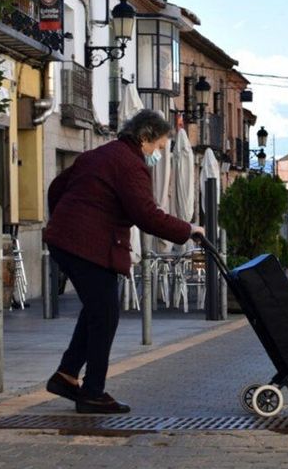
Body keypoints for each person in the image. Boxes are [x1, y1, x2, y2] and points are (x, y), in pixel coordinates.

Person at [43, 110, 205, 414]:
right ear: (144, 138)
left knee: (97, 310)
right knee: (105, 315)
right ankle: (92, 393)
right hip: (85, 246)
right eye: (158, 147)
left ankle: (66, 376)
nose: (158, 153)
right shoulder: (130, 165)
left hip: (70, 241)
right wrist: (188, 230)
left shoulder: (99, 154)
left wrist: (65, 222)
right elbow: (145, 213)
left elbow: (56, 189)